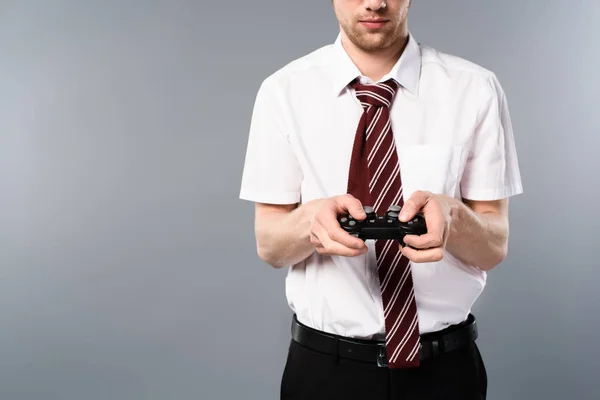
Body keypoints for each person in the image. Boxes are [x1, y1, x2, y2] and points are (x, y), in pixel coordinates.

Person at [239, 0, 523, 399]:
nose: (375, 2)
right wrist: (311, 222)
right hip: (325, 372)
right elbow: (269, 245)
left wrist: (453, 217)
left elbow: (494, 246)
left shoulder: (474, 88)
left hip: (445, 371)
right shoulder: (283, 92)